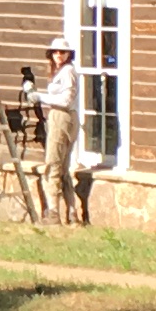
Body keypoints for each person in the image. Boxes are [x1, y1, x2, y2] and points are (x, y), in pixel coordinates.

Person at [36, 34, 93, 222]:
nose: (59, 55)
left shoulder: (68, 71)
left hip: (63, 116)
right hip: (62, 116)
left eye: (63, 52)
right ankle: (71, 212)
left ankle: (53, 212)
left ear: (69, 54)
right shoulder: (60, 71)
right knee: (63, 167)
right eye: (55, 52)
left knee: (53, 164)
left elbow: (66, 100)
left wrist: (40, 97)